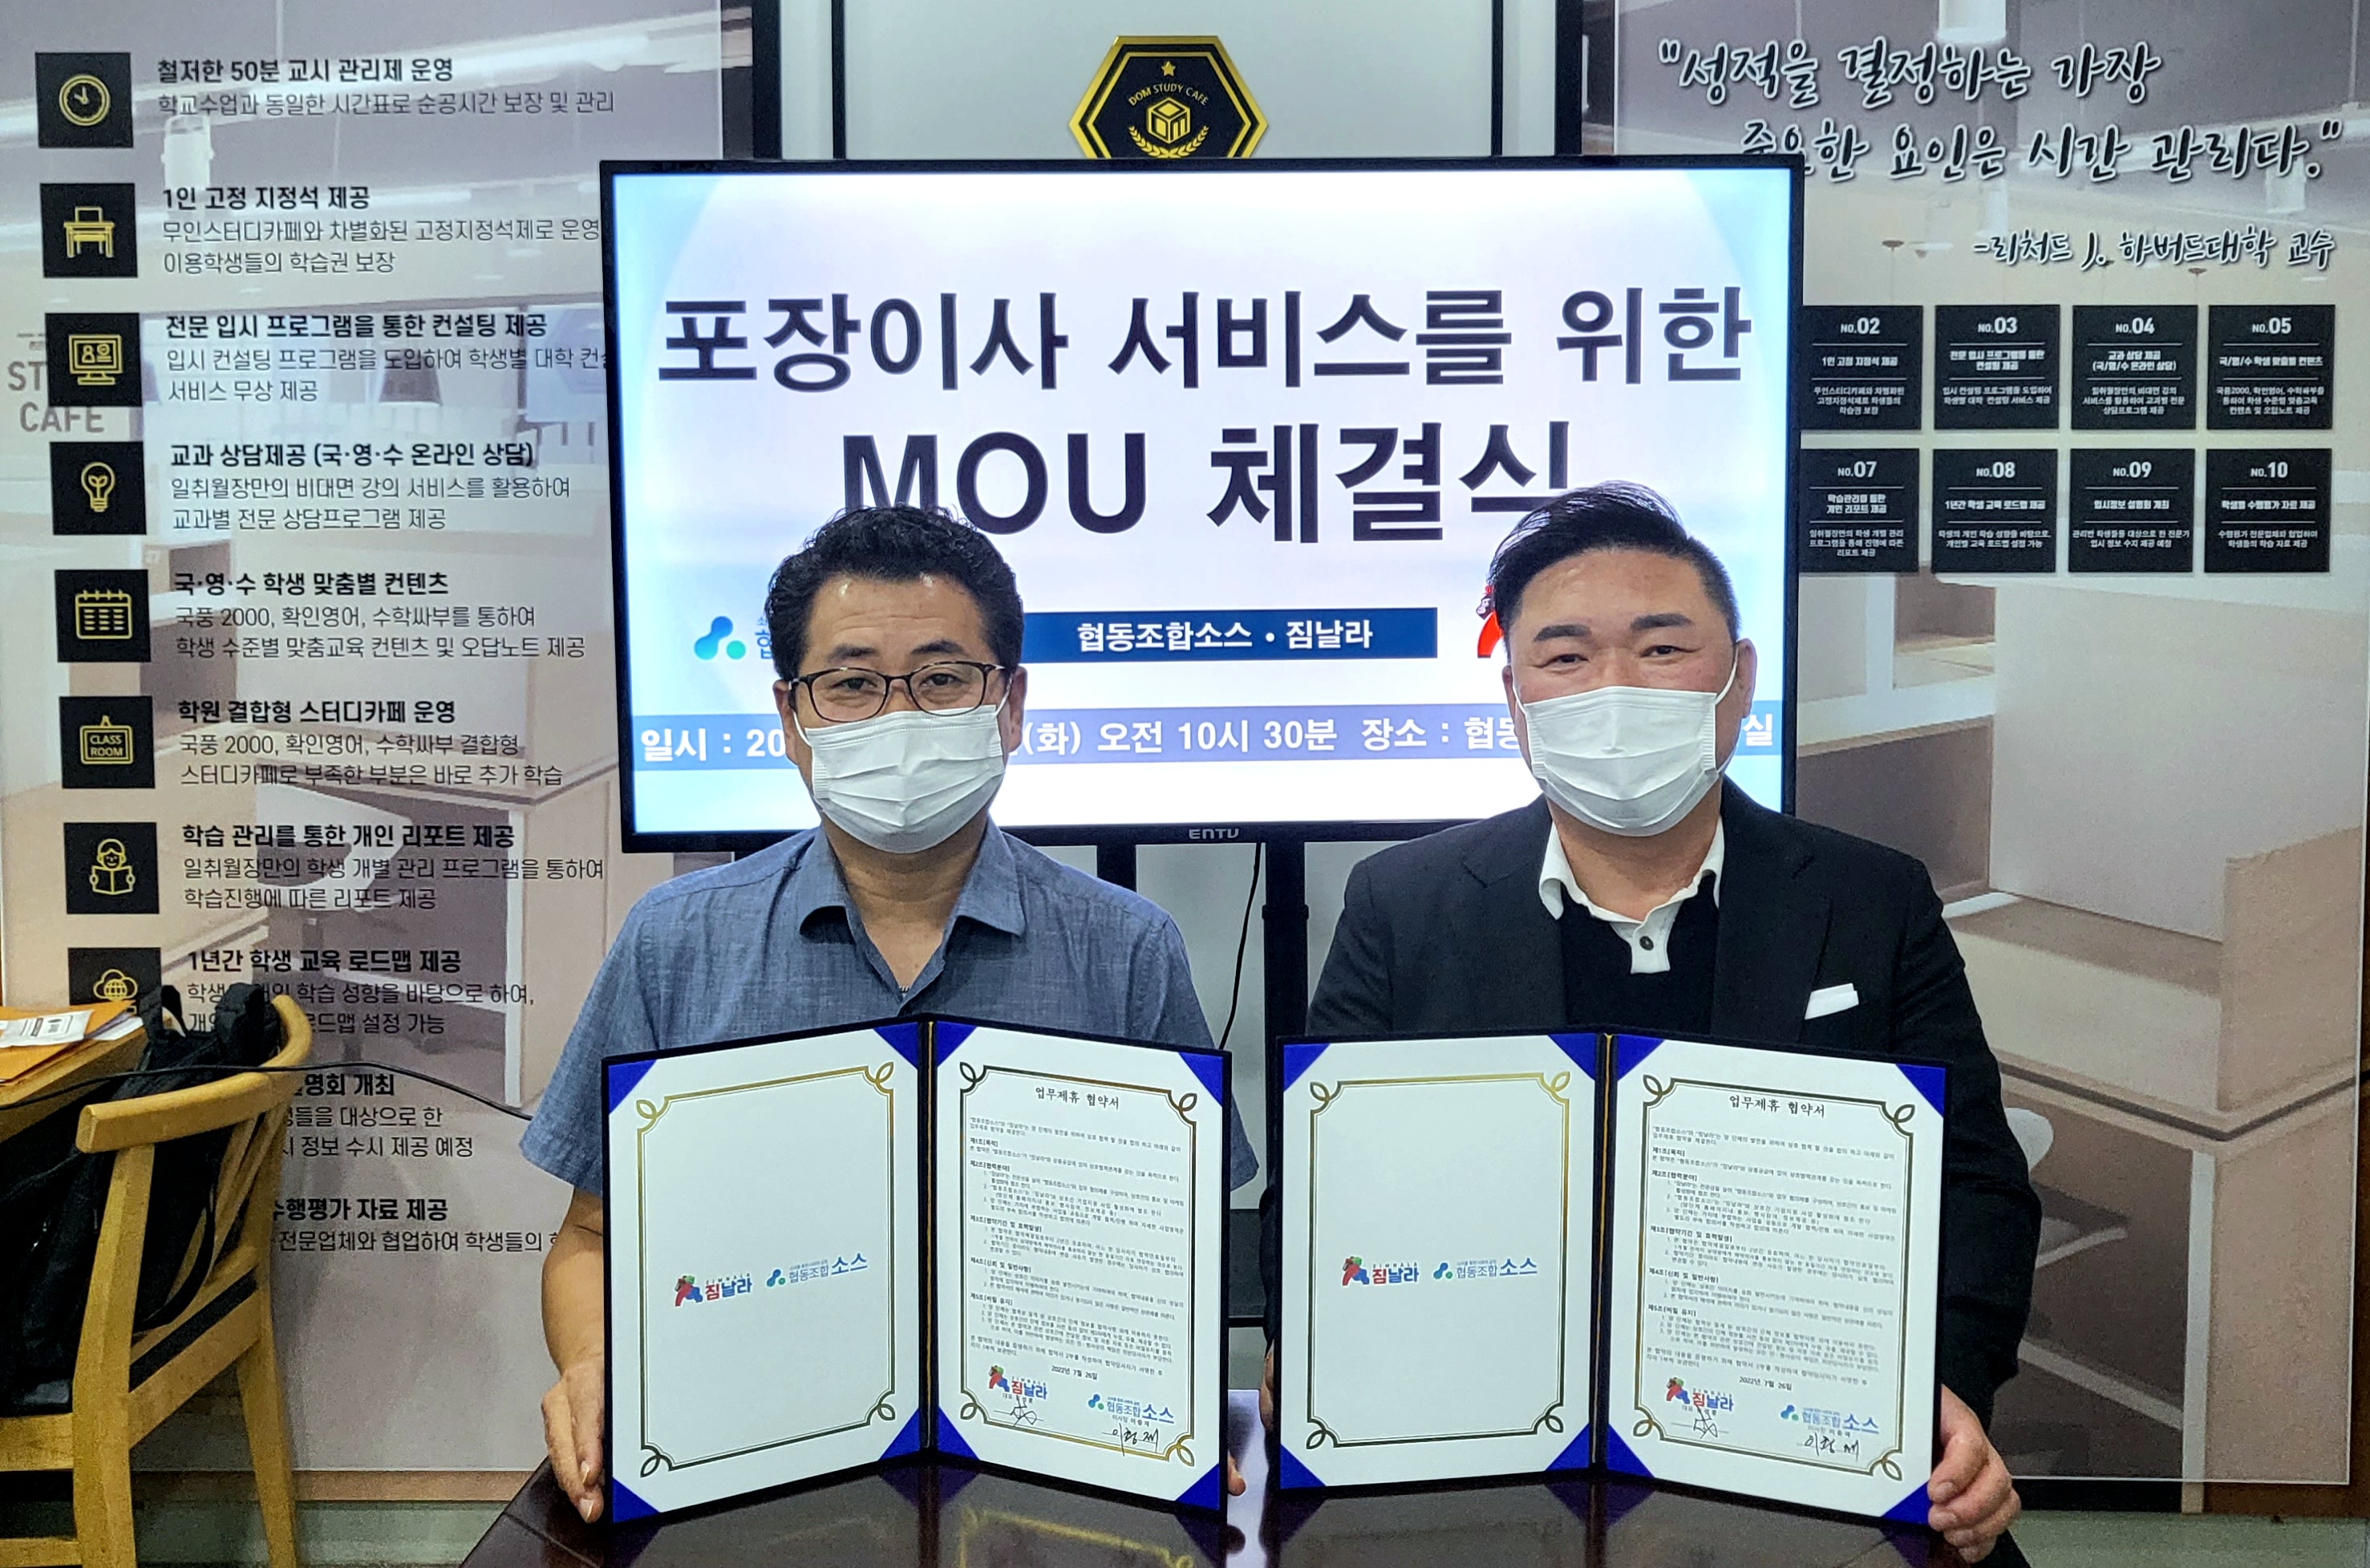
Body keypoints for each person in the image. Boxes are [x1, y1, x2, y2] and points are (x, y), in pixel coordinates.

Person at [1298, 483, 2040, 1563]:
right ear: (1514, 698)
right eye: (1564, 656)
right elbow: (1323, 1184)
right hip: (1496, 1443)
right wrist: (1309, 1343)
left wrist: (1942, 1388)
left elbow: (1971, 1179)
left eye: (1659, 649)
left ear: (1738, 680)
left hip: (1801, 1432)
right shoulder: (1402, 904)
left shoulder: (1867, 898)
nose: (1614, 689)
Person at [522, 504, 1258, 1521]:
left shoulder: (1126, 947)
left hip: (1051, 1484)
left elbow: (1183, 1247)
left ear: (1010, 705)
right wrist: (595, 1363)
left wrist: (1167, 1401)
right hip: (750, 1469)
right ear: (791, 719)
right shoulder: (676, 940)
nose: (899, 716)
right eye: (853, 682)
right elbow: (589, 1237)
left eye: (943, 679)